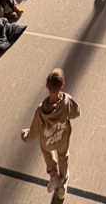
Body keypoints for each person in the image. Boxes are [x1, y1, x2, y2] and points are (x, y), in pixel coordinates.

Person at [21, 68, 81, 200]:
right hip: (62, 138)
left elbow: (34, 131)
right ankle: (63, 183)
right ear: (62, 85)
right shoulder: (66, 101)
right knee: (63, 157)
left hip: (47, 141)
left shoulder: (41, 110)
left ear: (47, 85)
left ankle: (54, 175)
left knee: (47, 153)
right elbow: (76, 113)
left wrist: (26, 136)